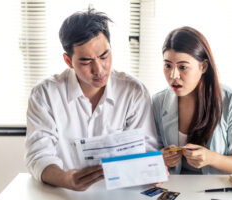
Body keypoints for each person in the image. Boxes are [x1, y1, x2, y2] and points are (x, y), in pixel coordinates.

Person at [25, 8, 158, 191]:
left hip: (121, 193)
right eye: (86, 62)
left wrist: (152, 169)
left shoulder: (133, 92)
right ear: (68, 61)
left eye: (104, 56)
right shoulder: (45, 94)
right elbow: (38, 155)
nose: (99, 70)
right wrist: (65, 179)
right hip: (62, 193)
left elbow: (146, 149)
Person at [152, 26, 232, 174]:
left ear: (203, 66)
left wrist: (212, 158)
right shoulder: (158, 102)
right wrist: (160, 158)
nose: (173, 75)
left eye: (183, 67)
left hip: (220, 189)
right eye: (167, 65)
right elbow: (150, 151)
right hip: (178, 188)